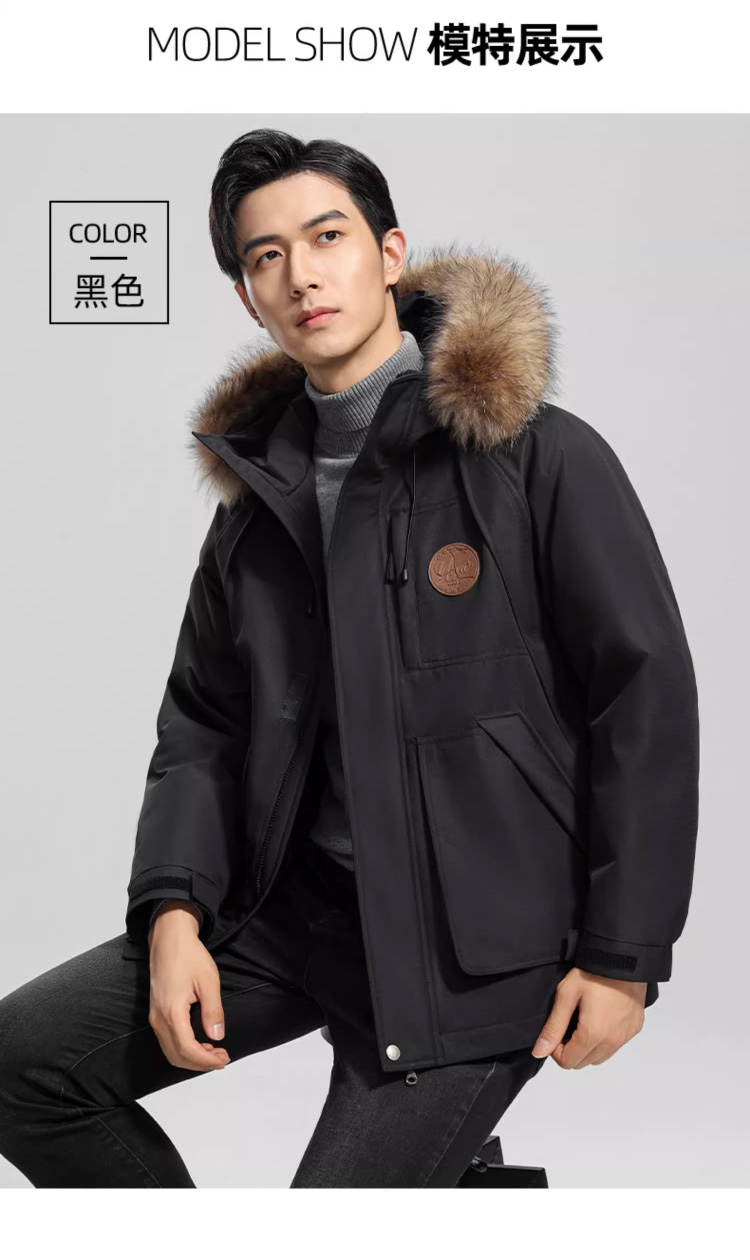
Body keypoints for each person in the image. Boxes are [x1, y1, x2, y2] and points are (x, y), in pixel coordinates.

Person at [0, 128, 700, 1188]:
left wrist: (623, 957)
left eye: (327, 236)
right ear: (250, 298)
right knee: (22, 1066)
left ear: (389, 253)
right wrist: (175, 914)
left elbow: (643, 699)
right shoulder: (256, 507)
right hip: (295, 915)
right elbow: (203, 726)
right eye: (265, 256)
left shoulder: (537, 457)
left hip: (474, 947)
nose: (301, 274)